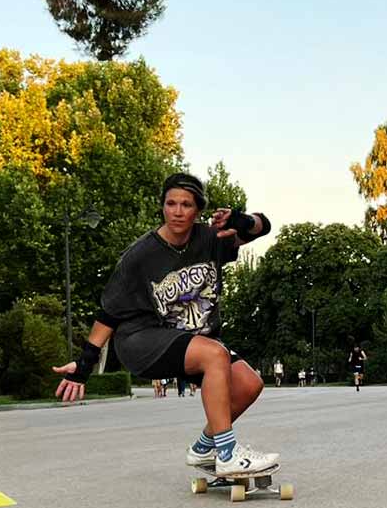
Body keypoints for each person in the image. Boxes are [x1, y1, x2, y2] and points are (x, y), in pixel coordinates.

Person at [53, 172, 276, 476]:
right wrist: (83, 366)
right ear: (163, 207)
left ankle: (201, 450)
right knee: (214, 353)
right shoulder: (140, 255)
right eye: (171, 203)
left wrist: (240, 219)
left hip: (192, 339)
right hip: (141, 341)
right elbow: (109, 314)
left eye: (186, 204)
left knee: (250, 384)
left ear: (198, 210)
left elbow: (263, 227)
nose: (178, 211)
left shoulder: (210, 240)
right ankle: (226, 452)